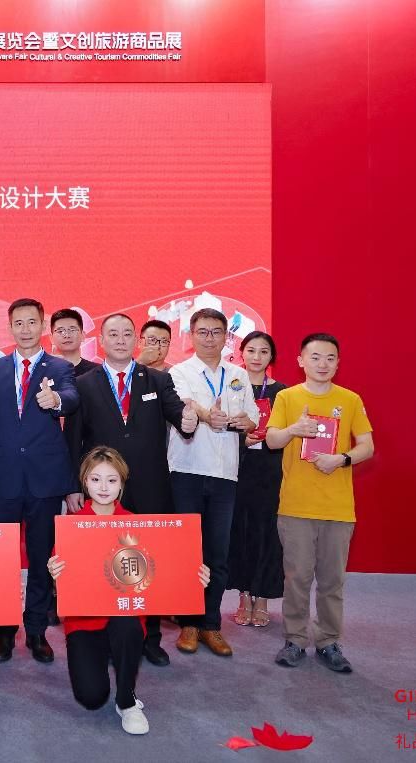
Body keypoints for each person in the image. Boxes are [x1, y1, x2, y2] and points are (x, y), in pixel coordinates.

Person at [63, 313, 198, 666]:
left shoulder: (158, 379)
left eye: (127, 334)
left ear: (136, 340)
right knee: (102, 560)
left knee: (148, 563)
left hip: (151, 487)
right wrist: (73, 487)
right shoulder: (84, 383)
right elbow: (73, 439)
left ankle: (150, 638)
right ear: (101, 341)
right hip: (102, 491)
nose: (120, 340)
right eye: (113, 334)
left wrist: (188, 420)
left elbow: (179, 415)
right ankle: (106, 633)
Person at [48, 447, 210, 735]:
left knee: (127, 626)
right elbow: (64, 584)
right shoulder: (71, 526)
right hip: (84, 623)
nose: (103, 487)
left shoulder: (137, 524)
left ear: (122, 483)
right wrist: (55, 573)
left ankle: (127, 699)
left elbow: (163, 571)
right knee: (91, 697)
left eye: (111, 480)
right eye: (95, 479)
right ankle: (104, 659)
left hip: (124, 618)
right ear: (85, 482)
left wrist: (193, 577)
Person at [0, 298, 79, 663]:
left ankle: (36, 631)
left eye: (31, 322)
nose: (25, 329)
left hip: (45, 480)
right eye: (18, 323)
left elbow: (71, 398)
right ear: (9, 327)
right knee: (2, 559)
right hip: (3, 479)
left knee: (39, 557)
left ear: (42, 325)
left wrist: (55, 400)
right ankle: (4, 631)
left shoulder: (60, 367)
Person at [267, 333, 374, 673]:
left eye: (330, 358)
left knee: (332, 581)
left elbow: (367, 446)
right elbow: (271, 440)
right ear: (301, 361)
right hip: (296, 506)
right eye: (315, 357)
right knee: (296, 578)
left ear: (338, 363)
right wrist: (294, 430)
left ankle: (328, 641)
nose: (322, 364)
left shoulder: (350, 399)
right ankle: (295, 640)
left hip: (338, 508)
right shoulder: (286, 397)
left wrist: (341, 459)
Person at [167, 308, 259, 657]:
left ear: (226, 337)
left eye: (216, 332)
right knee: (188, 552)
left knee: (218, 553)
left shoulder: (238, 374)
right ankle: (189, 623)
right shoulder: (179, 372)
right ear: (191, 336)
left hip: (225, 474)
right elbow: (186, 404)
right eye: (202, 332)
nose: (209, 338)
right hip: (186, 470)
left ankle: (210, 624)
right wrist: (209, 416)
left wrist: (244, 422)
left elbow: (252, 418)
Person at [227, 331, 286, 629]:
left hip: (270, 470)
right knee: (240, 532)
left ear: (271, 356)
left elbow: (287, 433)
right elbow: (218, 427)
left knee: (267, 534)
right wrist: (242, 439)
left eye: (264, 351)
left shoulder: (282, 392)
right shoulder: (231, 386)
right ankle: (243, 596)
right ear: (241, 353)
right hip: (236, 468)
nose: (257, 357)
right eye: (251, 350)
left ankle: (262, 597)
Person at [50, 308, 101, 377]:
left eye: (72, 330)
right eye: (60, 331)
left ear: (83, 335)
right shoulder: (42, 371)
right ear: (51, 338)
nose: (67, 335)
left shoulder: (98, 372)